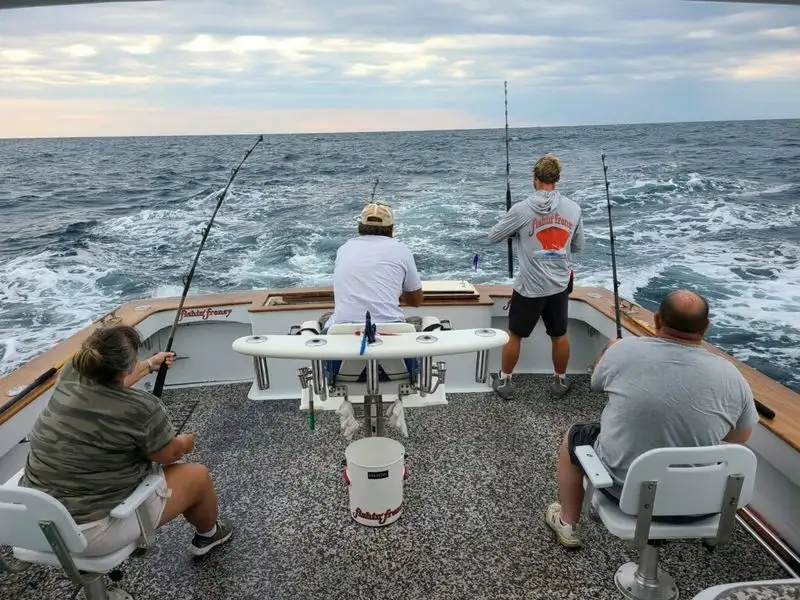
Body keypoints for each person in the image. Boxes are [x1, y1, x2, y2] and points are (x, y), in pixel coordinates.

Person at [544, 289, 759, 548]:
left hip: (625, 493)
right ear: (707, 327)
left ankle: (567, 521)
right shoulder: (731, 375)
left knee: (574, 435)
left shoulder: (623, 351)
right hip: (703, 502)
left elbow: (596, 383)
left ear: (657, 320)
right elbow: (739, 438)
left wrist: (609, 350)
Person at [20, 324, 234, 557]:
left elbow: (108, 381)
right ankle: (210, 534)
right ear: (127, 365)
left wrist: (150, 365)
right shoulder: (142, 408)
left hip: (34, 518)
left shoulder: (71, 372)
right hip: (87, 534)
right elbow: (167, 454)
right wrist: (185, 442)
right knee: (197, 476)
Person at [488, 154, 584, 400]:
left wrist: (518, 232)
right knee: (559, 334)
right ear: (557, 178)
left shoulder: (521, 209)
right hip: (560, 284)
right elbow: (577, 246)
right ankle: (560, 381)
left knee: (516, 334)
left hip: (529, 286)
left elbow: (494, 236)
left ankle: (506, 380)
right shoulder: (573, 208)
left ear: (535, 177)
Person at [322, 202, 423, 331]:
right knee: (422, 321)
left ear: (360, 226)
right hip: (391, 327)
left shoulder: (344, 248)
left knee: (326, 318)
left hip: (341, 328)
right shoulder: (402, 250)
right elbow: (415, 301)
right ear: (391, 229)